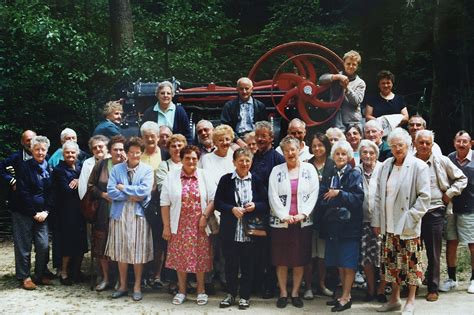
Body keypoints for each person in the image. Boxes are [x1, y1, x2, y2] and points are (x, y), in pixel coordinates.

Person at [372, 128, 430, 314]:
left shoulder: (418, 166)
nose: (397, 148)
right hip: (389, 224)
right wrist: (377, 221)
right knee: (392, 264)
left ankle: (410, 301)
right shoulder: (386, 165)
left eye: (401, 145)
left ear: (408, 145)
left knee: (411, 264)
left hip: (407, 225)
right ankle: (394, 299)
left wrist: (410, 218)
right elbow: (379, 196)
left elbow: (424, 197)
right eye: (393, 145)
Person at [414, 130, 467, 301]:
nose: (424, 146)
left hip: (434, 210)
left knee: (434, 252)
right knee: (411, 252)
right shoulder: (408, 162)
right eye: (421, 142)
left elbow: (462, 179)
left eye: (427, 143)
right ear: (415, 143)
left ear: (432, 144)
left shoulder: (441, 161)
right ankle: (411, 286)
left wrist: (450, 193)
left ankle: (433, 288)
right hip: (413, 212)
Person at [214, 148, 269, 309]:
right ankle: (231, 294)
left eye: (247, 161)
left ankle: (245, 296)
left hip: (250, 232)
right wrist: (231, 209)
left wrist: (255, 206)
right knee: (230, 264)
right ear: (234, 162)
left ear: (251, 163)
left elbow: (266, 204)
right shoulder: (226, 180)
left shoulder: (257, 181)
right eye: (241, 161)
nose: (244, 164)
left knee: (248, 265)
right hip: (230, 230)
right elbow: (218, 202)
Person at [268, 136, 319, 309]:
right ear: (282, 152)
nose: (290, 153)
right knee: (281, 259)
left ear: (299, 150)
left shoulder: (309, 169)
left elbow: (314, 193)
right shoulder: (276, 170)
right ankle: (283, 292)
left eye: (293, 149)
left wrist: (303, 214)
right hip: (281, 223)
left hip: (302, 222)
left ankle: (295, 292)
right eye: (286, 150)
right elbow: (272, 195)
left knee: (299, 259)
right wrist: (283, 215)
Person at [161, 145, 214, 306]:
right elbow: (164, 203)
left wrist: (205, 216)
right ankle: (182, 290)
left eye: (194, 158)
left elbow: (213, 199)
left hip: (200, 225)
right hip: (180, 225)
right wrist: (166, 226)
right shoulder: (172, 176)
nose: (191, 161)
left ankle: (201, 290)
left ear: (198, 160)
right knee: (180, 259)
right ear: (182, 159)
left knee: (201, 258)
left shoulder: (204, 175)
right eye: (187, 158)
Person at [105, 137, 154, 302]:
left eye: (138, 153)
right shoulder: (117, 169)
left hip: (139, 216)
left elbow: (144, 192)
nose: (134, 155)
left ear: (142, 153)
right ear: (126, 153)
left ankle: (137, 286)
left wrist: (124, 188)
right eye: (131, 152)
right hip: (119, 215)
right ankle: (123, 285)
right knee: (121, 252)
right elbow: (111, 191)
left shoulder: (147, 170)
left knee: (137, 252)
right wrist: (132, 194)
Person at [318, 140, 364, 312]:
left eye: (343, 154)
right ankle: (343, 294)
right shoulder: (330, 173)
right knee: (338, 261)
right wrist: (334, 199)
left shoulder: (354, 174)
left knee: (348, 262)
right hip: (333, 225)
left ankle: (346, 296)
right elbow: (322, 197)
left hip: (349, 226)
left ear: (349, 156)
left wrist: (339, 193)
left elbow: (357, 199)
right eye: (337, 154)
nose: (340, 157)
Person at [249, 121, 285, 299]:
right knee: (256, 251)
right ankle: (255, 283)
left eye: (264, 136)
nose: (260, 139)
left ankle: (270, 286)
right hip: (255, 211)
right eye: (258, 136)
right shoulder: (254, 157)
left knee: (270, 251)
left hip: (272, 211)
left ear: (272, 138)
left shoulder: (278, 159)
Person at [88, 135, 126, 291]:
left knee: (120, 248)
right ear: (109, 150)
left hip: (123, 214)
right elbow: (91, 186)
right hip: (103, 212)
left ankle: (120, 280)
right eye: (115, 149)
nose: (118, 152)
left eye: (121, 149)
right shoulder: (102, 165)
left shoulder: (128, 166)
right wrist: (103, 195)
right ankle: (105, 278)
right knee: (102, 247)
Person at [15, 136, 53, 289]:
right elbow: (23, 192)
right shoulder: (24, 167)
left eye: (43, 149)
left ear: (47, 151)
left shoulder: (49, 168)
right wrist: (33, 213)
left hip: (42, 213)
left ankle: (40, 274)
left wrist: (46, 211)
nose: (40, 152)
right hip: (23, 212)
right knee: (23, 246)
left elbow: (52, 193)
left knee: (43, 245)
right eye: (37, 149)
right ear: (31, 150)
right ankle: (24, 277)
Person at [441, 130, 474, 294]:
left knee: (472, 245)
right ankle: (452, 279)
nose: (461, 144)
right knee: (451, 243)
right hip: (451, 208)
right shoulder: (449, 159)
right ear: (454, 142)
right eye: (459, 141)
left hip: (471, 208)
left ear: (471, 143)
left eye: (465, 141)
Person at [51, 141, 88, 285]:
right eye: (67, 152)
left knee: (80, 243)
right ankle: (64, 272)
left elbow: (86, 183)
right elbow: (66, 190)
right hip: (66, 212)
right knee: (67, 243)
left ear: (77, 153)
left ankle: (77, 271)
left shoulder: (80, 167)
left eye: (73, 152)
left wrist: (80, 180)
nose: (70, 155)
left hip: (80, 211)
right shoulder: (59, 170)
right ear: (63, 154)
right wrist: (79, 183)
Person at [305, 133, 335, 299]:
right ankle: (308, 286)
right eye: (314, 145)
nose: (317, 148)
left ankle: (322, 285)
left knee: (322, 255)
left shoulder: (332, 164)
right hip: (308, 215)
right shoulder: (306, 165)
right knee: (309, 253)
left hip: (326, 217)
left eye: (320, 145)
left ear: (326, 146)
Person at [356, 140, 386, 302]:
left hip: (382, 222)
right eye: (364, 152)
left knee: (382, 257)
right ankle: (371, 289)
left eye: (371, 153)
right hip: (364, 221)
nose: (368, 156)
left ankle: (381, 290)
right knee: (367, 257)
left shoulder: (383, 168)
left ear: (376, 154)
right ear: (360, 154)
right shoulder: (355, 170)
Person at [318, 50, 366, 131]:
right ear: (344, 63)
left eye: (354, 64)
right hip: (336, 118)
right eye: (348, 64)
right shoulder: (336, 75)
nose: (351, 66)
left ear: (357, 66)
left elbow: (357, 101)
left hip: (353, 121)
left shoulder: (360, 83)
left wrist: (346, 88)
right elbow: (321, 80)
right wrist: (337, 77)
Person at [220, 77, 267, 147]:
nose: (244, 91)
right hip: (235, 140)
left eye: (247, 88)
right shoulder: (229, 106)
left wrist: (255, 140)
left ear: (252, 89)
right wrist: (238, 141)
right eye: (241, 89)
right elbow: (226, 127)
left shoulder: (260, 106)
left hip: (256, 139)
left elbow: (263, 126)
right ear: (237, 89)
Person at [78, 135, 109, 200]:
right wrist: (85, 201)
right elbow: (83, 184)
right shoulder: (87, 163)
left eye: (100, 146)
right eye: (94, 148)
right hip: (93, 202)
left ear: (107, 147)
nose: (97, 149)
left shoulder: (114, 160)